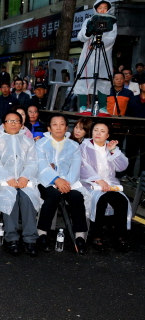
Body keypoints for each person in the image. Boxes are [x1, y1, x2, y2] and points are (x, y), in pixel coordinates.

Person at [0, 111, 41, 256]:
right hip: (4, 181)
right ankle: (12, 238)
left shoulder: (28, 141)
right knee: (9, 197)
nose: (13, 124)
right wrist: (7, 178)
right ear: (3, 124)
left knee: (27, 197)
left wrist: (25, 177)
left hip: (25, 181)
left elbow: (33, 162)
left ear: (21, 124)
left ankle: (30, 238)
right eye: (9, 121)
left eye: (16, 121)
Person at [36, 114, 89, 254]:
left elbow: (75, 168)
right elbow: (41, 165)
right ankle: (42, 233)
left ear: (66, 127)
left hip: (69, 183)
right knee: (52, 195)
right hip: (46, 181)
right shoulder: (40, 143)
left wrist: (65, 183)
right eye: (55, 124)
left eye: (62, 124)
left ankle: (80, 236)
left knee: (77, 197)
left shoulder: (74, 145)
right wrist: (56, 180)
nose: (58, 127)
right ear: (49, 128)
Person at [79, 122, 131, 252]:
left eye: (102, 131)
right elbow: (83, 167)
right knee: (100, 200)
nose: (98, 133)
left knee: (122, 201)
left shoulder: (110, 147)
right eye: (96, 130)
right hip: (90, 184)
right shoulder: (84, 147)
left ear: (107, 135)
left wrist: (113, 151)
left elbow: (123, 166)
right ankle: (97, 235)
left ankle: (121, 237)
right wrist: (98, 180)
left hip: (111, 184)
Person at [75, 0, 117, 113]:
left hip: (103, 54)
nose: (102, 10)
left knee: (103, 78)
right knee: (83, 78)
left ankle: (103, 107)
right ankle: (83, 105)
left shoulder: (112, 22)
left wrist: (98, 43)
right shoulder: (89, 20)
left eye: (105, 8)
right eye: (100, 8)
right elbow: (81, 36)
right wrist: (89, 32)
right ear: (96, 8)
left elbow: (111, 39)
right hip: (88, 54)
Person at [126, 79, 145, 177]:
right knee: (130, 154)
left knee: (143, 156)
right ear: (140, 86)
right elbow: (129, 114)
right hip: (133, 131)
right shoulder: (133, 99)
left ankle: (141, 177)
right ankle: (128, 176)